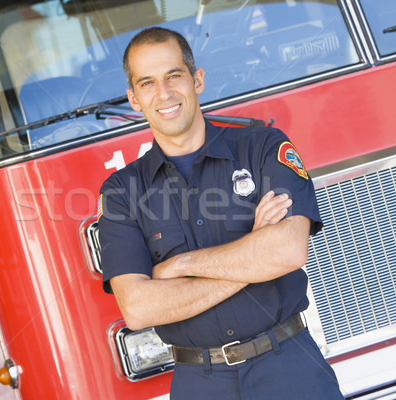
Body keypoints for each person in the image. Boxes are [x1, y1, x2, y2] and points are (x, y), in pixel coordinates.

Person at [97, 27, 344, 399]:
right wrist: (252, 252)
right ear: (134, 98)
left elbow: (287, 252)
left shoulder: (263, 147)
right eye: (147, 83)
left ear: (197, 79)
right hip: (200, 383)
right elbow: (138, 308)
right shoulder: (121, 192)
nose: (163, 94)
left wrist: (179, 267)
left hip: (291, 369)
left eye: (174, 76)